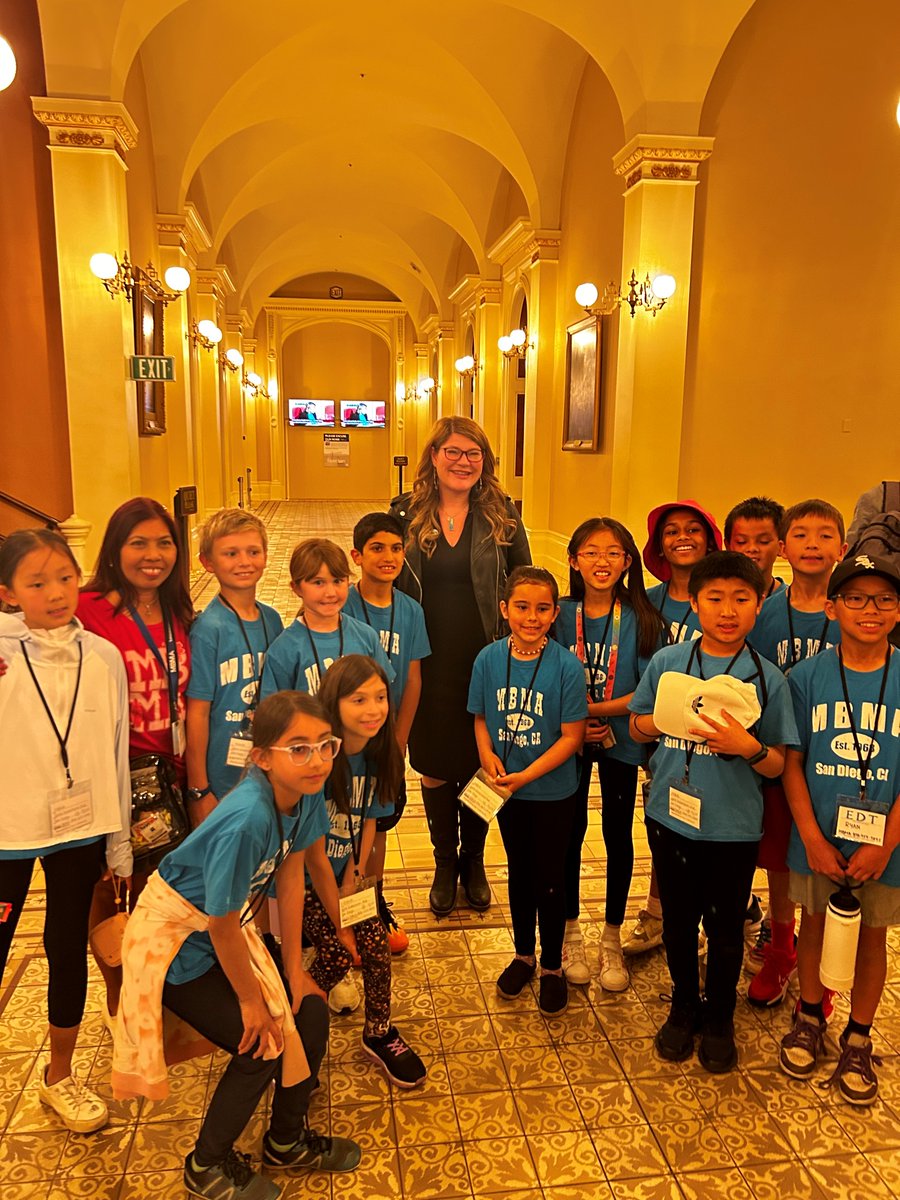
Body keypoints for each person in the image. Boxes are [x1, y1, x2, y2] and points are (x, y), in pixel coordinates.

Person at [112, 690, 362, 1200]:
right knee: (262, 1040)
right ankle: (205, 1165)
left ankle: (286, 1141)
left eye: (324, 744)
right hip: (178, 945)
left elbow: (292, 876)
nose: (315, 759)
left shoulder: (305, 790)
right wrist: (252, 1001)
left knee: (308, 1010)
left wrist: (293, 970)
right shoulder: (246, 817)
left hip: (221, 930)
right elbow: (223, 925)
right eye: (298, 747)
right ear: (262, 756)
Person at [629, 551, 798, 1073]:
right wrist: (664, 721)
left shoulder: (768, 678)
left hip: (733, 827)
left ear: (759, 602)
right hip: (670, 817)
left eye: (741, 599)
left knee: (726, 929)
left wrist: (746, 746)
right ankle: (683, 1006)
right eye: (715, 599)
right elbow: (635, 728)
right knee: (678, 922)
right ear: (696, 604)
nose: (728, 611)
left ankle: (720, 1016)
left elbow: (777, 765)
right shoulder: (668, 662)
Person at [0, 530, 132, 1133]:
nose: (56, 593)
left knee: (65, 949)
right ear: (7, 593)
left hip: (80, 827)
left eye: (65, 578)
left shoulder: (102, 657)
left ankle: (59, 1075)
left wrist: (120, 841)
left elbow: (115, 749)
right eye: (36, 583)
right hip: (9, 828)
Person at [391, 416, 531, 916]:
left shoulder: (503, 515)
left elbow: (523, 583)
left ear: (484, 462)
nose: (462, 461)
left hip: (486, 657)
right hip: (424, 661)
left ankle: (473, 858)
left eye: (473, 453)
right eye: (452, 451)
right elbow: (386, 578)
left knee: (481, 762)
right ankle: (443, 861)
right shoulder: (406, 513)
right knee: (432, 764)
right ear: (433, 455)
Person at [779, 554, 900, 1104]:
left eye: (883, 599)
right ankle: (809, 1015)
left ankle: (858, 1034)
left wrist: (885, 842)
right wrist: (809, 835)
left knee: (873, 934)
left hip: (884, 842)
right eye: (855, 598)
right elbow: (793, 761)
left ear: (899, 611)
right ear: (832, 608)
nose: (869, 610)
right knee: (814, 925)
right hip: (819, 836)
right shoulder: (807, 677)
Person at [77, 496, 193, 1029]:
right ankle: (119, 994)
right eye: (138, 543)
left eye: (164, 542)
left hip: (170, 771)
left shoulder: (178, 611)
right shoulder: (87, 610)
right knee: (110, 885)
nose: (154, 555)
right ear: (114, 549)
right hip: (110, 773)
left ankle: (160, 985)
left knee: (160, 883)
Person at [467, 566, 587, 1015]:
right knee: (519, 872)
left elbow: (572, 737)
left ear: (555, 613)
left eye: (541, 609)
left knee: (551, 878)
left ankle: (553, 965)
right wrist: (486, 756)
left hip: (552, 792)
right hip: (506, 790)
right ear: (505, 610)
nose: (531, 617)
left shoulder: (566, 666)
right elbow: (480, 716)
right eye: (522, 607)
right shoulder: (488, 659)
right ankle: (524, 954)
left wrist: (526, 775)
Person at [554, 518, 666, 991]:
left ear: (627, 561)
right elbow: (545, 672)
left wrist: (592, 710)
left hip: (622, 741)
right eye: (591, 552)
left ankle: (613, 936)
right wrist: (577, 722)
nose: (602, 562)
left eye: (613, 552)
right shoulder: (558, 612)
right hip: (570, 741)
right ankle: (569, 931)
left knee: (618, 836)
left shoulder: (641, 617)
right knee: (569, 832)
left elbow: (646, 688)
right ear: (574, 560)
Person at [305, 655, 426, 1086]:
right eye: (359, 699)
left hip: (345, 875)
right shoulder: (318, 761)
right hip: (304, 883)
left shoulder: (377, 753)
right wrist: (340, 920)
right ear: (333, 703)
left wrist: (356, 879)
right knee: (339, 953)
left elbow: (370, 823)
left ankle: (378, 1032)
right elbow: (314, 856)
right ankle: (291, 1019)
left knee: (373, 947)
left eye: (380, 697)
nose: (374, 709)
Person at [746, 500, 847, 1005]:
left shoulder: (855, 611)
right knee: (782, 862)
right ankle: (782, 949)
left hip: (834, 763)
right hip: (777, 759)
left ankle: (821, 965)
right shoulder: (763, 612)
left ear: (843, 549)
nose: (813, 545)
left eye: (825, 535)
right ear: (783, 548)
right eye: (801, 535)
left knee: (822, 863)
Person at [624, 500, 723, 957]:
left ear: (709, 539)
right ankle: (657, 913)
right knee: (664, 826)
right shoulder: (647, 602)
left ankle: (718, 914)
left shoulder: (723, 599)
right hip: (660, 741)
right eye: (670, 531)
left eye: (692, 529)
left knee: (714, 833)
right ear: (659, 544)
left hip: (718, 741)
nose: (682, 537)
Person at [344, 512, 431, 954]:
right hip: (345, 746)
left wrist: (398, 743)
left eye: (397, 549)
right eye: (377, 548)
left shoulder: (411, 610)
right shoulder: (341, 605)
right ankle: (337, 914)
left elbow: (412, 679)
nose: (389, 557)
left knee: (376, 828)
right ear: (357, 556)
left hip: (385, 743)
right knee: (342, 827)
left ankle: (372, 906)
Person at [186, 508, 283, 824]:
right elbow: (198, 712)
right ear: (208, 562)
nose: (244, 561)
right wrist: (199, 789)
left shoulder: (272, 620)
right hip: (221, 780)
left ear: (265, 556)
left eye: (253, 551)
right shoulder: (208, 629)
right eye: (231, 553)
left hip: (266, 772)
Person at [259, 539, 392, 698]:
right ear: (296, 588)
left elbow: (383, 693)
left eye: (338, 581)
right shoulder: (284, 649)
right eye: (318, 582)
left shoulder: (366, 637)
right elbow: (275, 714)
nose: (330, 593)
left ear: (348, 582)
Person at [724, 495, 786, 598]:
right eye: (742, 542)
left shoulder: (790, 601)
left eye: (763, 541)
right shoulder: (714, 600)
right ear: (728, 546)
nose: (752, 548)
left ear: (781, 546)